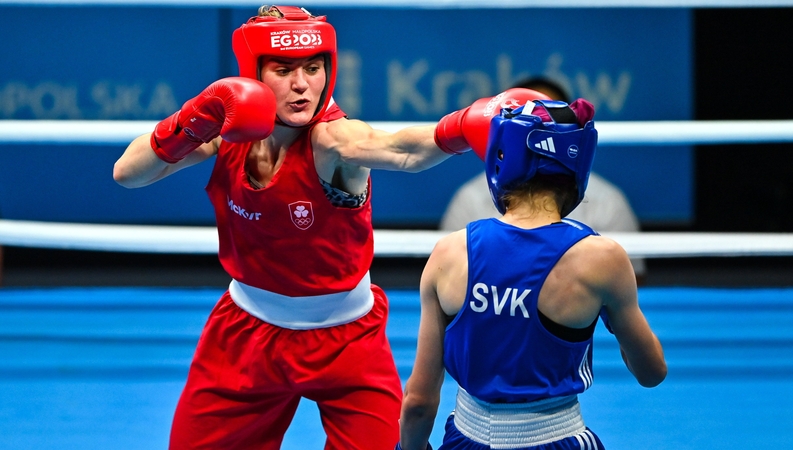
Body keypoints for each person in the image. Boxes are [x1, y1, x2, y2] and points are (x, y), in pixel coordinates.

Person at [113, 5, 549, 449]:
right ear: (254, 72)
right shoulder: (224, 133)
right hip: (245, 331)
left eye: (314, 67)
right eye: (283, 69)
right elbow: (129, 173)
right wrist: (192, 120)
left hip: (347, 342)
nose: (302, 84)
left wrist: (463, 126)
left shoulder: (333, 140)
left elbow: (402, 151)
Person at [398, 99, 666, 450]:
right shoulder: (602, 259)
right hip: (558, 438)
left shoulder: (450, 253)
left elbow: (418, 401)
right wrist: (612, 311)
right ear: (578, 166)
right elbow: (651, 373)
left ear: (501, 155)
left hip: (464, 438)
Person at [439, 76, 646, 282]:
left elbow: (634, 284)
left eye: (550, 120)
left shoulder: (607, 201)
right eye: (530, 121)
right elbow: (447, 277)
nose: (542, 127)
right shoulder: (470, 198)